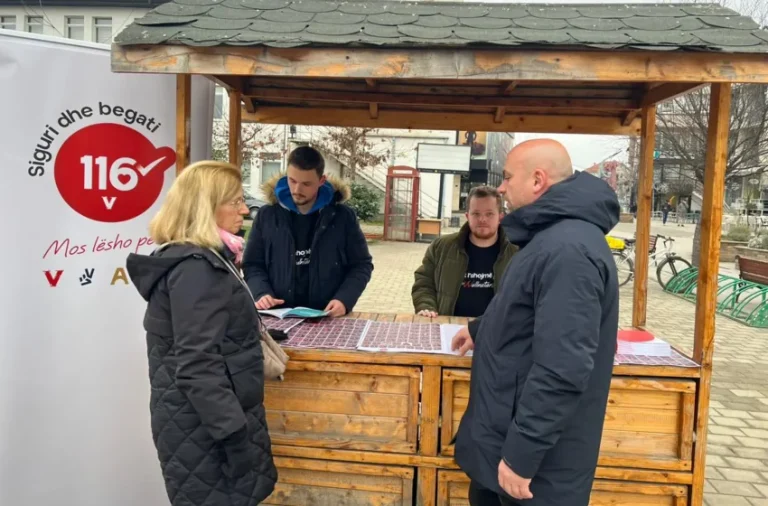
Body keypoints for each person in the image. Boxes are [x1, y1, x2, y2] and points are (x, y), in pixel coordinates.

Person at [452, 139, 620, 506]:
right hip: (505, 437)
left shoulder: (568, 251)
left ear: (537, 180)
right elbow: (527, 307)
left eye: (508, 177)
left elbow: (563, 366)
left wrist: (521, 456)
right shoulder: (552, 236)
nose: (501, 187)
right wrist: (480, 329)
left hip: (537, 469)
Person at [126, 161, 277, 506]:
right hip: (207, 429)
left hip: (207, 420)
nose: (244, 210)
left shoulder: (205, 259)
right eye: (235, 202)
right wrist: (234, 437)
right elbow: (197, 364)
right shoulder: (197, 269)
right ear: (205, 207)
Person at [243, 146, 373, 317]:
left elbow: (361, 265)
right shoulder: (267, 215)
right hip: (277, 316)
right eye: (292, 181)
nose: (297, 190)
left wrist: (344, 299)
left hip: (327, 316)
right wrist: (261, 292)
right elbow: (252, 264)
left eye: (306, 184)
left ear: (321, 180)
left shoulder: (343, 217)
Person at [411, 186, 517, 333]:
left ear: (500, 216)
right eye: (476, 213)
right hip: (448, 330)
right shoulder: (441, 247)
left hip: (498, 334)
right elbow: (424, 282)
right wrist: (426, 306)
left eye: (489, 214)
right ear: (467, 216)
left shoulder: (517, 252)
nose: (482, 219)